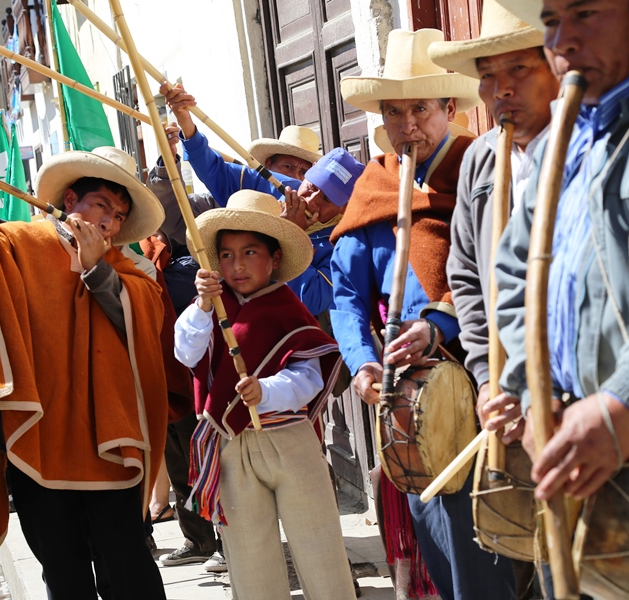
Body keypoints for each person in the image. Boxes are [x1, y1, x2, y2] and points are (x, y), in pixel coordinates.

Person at [0, 146, 169, 599]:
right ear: (69, 201)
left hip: (111, 445)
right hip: (38, 440)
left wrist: (97, 267)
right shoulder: (20, 242)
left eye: (119, 216)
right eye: (102, 205)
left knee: (129, 566)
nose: (110, 222)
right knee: (63, 572)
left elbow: (142, 330)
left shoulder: (129, 268)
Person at [332, 28, 516, 599]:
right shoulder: (377, 185)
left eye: (420, 109)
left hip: (484, 384)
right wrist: (362, 363)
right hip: (409, 400)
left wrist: (438, 326)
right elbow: (346, 294)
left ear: (450, 109)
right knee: (438, 544)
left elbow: (501, 269)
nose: (407, 124)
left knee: (492, 550)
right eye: (393, 111)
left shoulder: (482, 170)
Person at [493, 0, 629, 506]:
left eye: (584, 14)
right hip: (576, 441)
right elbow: (514, 271)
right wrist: (532, 393)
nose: (562, 42)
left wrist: (626, 401)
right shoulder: (566, 139)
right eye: (551, 21)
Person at [429, 2, 561, 596]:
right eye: (488, 76)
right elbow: (466, 277)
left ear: (557, 65)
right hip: (516, 407)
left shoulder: (600, 147)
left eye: (520, 71)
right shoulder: (483, 159)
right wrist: (488, 379)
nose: (501, 90)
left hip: (597, 403)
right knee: (547, 562)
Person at [174, 189, 356, 599]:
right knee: (249, 557)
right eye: (226, 255)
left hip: (288, 439)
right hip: (231, 444)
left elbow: (307, 378)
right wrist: (203, 305)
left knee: (319, 546)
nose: (237, 265)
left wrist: (266, 391)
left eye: (250, 252)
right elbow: (186, 353)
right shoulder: (211, 307)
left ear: (274, 259)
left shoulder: (287, 307)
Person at [161, 82, 320, 205]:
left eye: (304, 172)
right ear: (267, 164)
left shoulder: (321, 205)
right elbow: (213, 169)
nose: (295, 178)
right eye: (288, 167)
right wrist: (185, 121)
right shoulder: (248, 185)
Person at [280, 147, 365, 316]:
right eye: (311, 187)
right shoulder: (280, 190)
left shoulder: (345, 247)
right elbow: (215, 167)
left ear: (345, 207)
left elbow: (311, 299)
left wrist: (293, 236)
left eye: (327, 199)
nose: (312, 201)